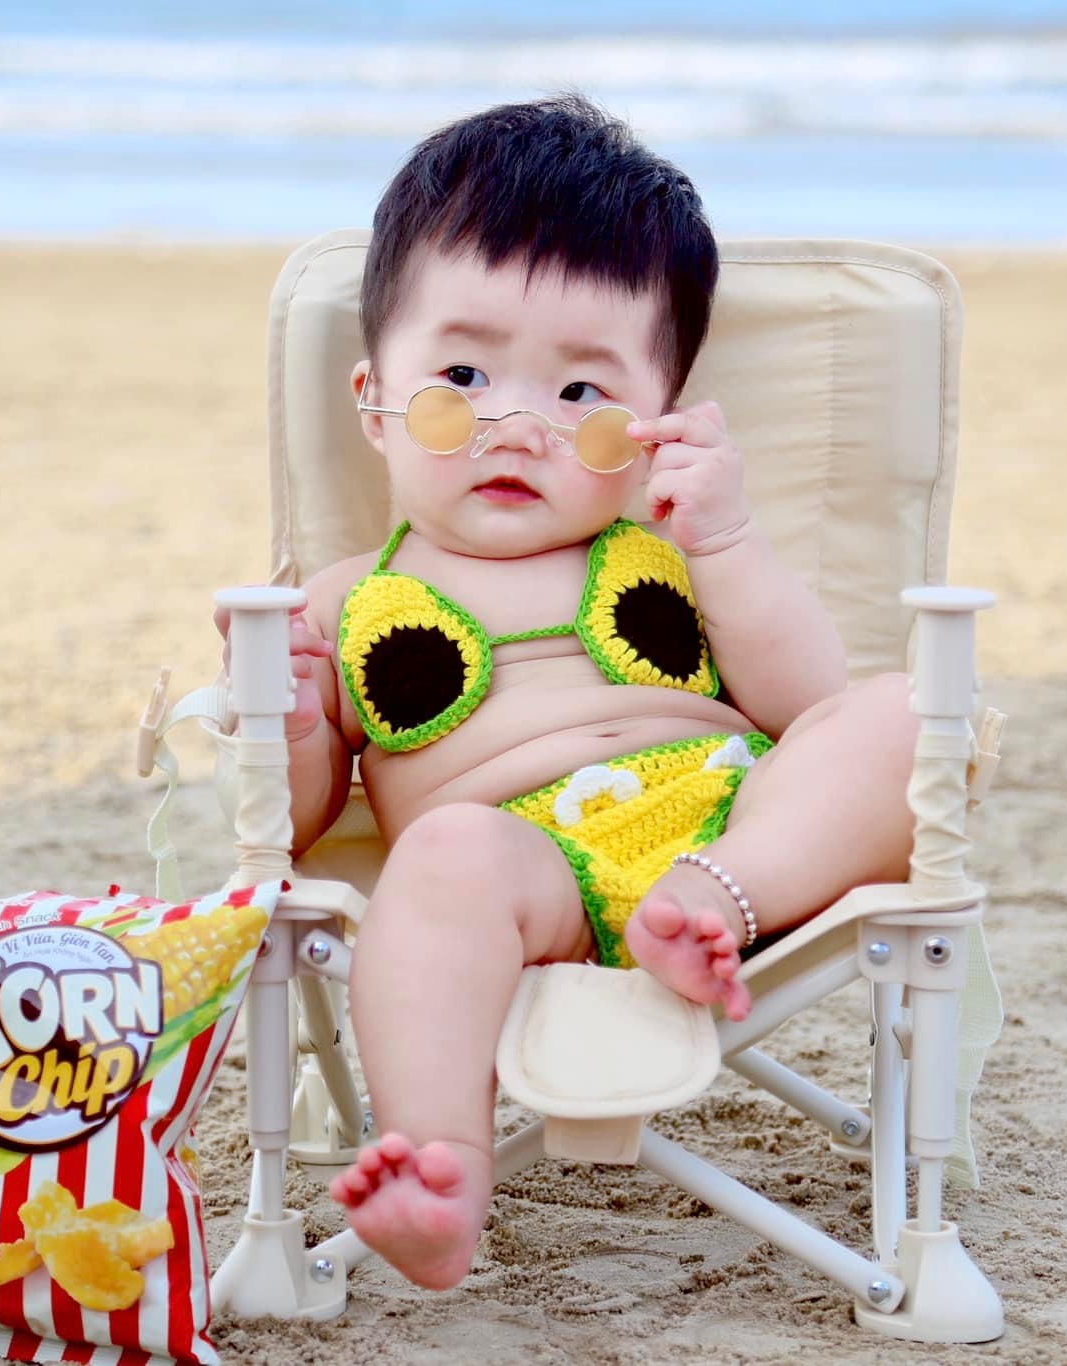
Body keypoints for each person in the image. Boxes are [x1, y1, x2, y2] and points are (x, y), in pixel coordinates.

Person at [221, 94, 918, 1290]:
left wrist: (731, 539)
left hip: (735, 832)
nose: (515, 423)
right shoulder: (343, 602)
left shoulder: (672, 546)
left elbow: (805, 706)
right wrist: (285, 716)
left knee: (902, 712)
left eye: (581, 395)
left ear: (656, 420)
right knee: (440, 856)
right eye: (461, 372)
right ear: (370, 400)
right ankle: (437, 1176)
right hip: (522, 863)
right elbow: (287, 825)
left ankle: (702, 906)